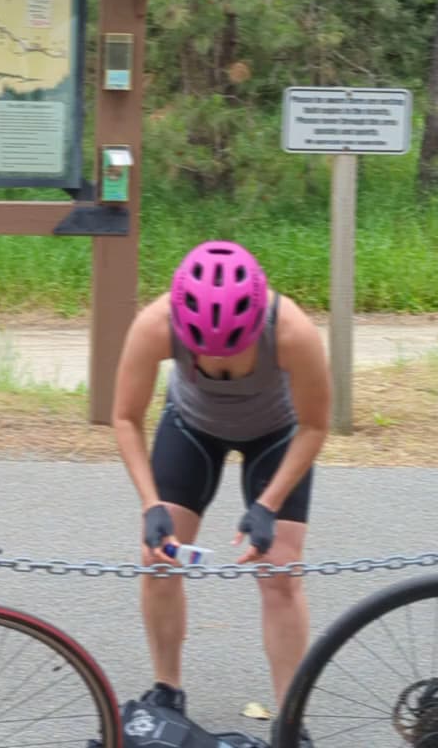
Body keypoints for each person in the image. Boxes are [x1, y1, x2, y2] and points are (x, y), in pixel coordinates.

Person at [112, 240, 332, 724]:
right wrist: (151, 506)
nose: (214, 364)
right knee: (160, 558)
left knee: (279, 571)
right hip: (192, 427)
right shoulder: (155, 324)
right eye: (202, 353)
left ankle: (291, 719)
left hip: (277, 433)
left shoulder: (293, 331)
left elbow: (316, 426)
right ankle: (167, 689)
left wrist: (268, 505)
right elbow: (125, 418)